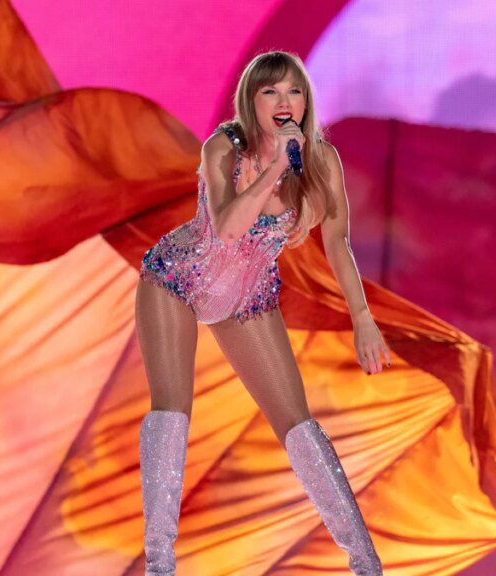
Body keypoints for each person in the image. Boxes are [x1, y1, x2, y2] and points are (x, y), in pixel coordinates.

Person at [135, 51, 390, 576]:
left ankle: (367, 565)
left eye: (294, 91)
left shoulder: (321, 159)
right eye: (270, 91)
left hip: (247, 294)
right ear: (251, 102)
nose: (283, 101)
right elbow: (228, 229)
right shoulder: (223, 148)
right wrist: (275, 166)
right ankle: (160, 567)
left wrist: (362, 316)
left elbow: (337, 242)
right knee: (173, 413)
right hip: (178, 279)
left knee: (299, 425)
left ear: (306, 102)